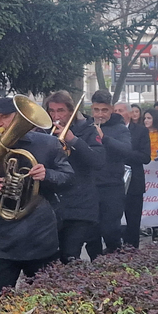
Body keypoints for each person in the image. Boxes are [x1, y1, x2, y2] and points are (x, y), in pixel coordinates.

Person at [0, 97, 73, 293]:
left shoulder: (48, 144)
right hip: (3, 238)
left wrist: (48, 174)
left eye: (5, 117)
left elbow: (69, 179)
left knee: (47, 299)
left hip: (40, 236)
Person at [43, 90, 105, 264]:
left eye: (61, 111)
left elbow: (98, 161)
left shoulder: (88, 130)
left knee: (69, 255)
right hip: (53, 204)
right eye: (52, 111)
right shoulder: (44, 132)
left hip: (80, 205)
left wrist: (73, 140)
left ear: (71, 111)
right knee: (51, 257)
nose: (56, 116)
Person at [85, 91, 134, 258]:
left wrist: (104, 138)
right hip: (90, 186)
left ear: (111, 109)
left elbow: (126, 150)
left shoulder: (120, 129)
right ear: (91, 109)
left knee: (110, 230)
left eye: (104, 110)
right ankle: (96, 263)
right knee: (91, 232)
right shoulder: (86, 126)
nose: (100, 114)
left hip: (112, 186)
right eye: (96, 110)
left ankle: (115, 260)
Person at [113, 101, 151, 251]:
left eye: (121, 110)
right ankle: (114, 250)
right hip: (112, 182)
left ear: (129, 113)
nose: (117, 113)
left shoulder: (140, 131)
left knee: (133, 221)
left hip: (134, 182)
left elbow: (145, 157)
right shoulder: (107, 130)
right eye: (115, 110)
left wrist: (123, 152)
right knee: (112, 220)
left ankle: (132, 251)